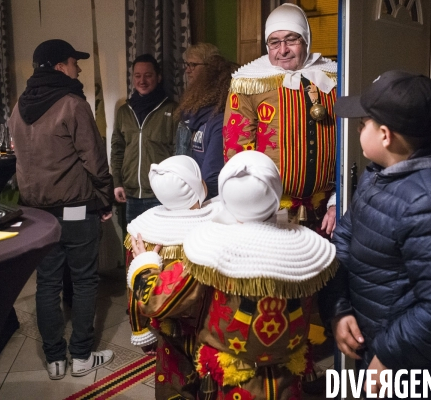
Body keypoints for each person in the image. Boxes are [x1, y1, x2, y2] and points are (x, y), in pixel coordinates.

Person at [319, 70, 431, 397]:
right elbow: (344, 241)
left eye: (361, 123)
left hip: (412, 363)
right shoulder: (379, 174)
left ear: (384, 135)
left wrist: (392, 357)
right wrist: (338, 310)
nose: (358, 130)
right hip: (376, 343)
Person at [129, 151, 337, 399]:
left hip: (233, 381)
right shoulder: (305, 251)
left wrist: (145, 263)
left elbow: (156, 301)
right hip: (286, 376)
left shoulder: (211, 250)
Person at [8, 39, 115, 380]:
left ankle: (55, 360)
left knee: (47, 283)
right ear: (58, 66)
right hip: (76, 210)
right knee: (84, 281)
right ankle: (82, 357)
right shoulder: (72, 103)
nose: (78, 68)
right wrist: (104, 197)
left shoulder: (18, 107)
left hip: (36, 215)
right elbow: (94, 159)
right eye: (74, 62)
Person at [223, 3, 338, 236]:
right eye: (274, 42)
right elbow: (236, 155)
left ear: (306, 39)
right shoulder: (249, 83)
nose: (282, 50)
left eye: (291, 39)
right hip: (268, 214)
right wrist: (249, 209)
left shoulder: (335, 79)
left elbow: (351, 145)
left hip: (326, 212)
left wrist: (339, 201)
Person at [126, 155, 221, 399]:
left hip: (170, 332)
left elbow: (134, 283)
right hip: (210, 333)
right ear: (199, 187)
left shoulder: (144, 233)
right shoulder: (217, 228)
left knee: (174, 388)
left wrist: (140, 329)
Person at [111, 54, 178, 223]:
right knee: (132, 247)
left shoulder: (172, 109)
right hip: (130, 196)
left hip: (161, 195)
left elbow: (180, 153)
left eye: (148, 75)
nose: (142, 81)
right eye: (137, 76)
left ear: (158, 77)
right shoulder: (124, 111)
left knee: (159, 247)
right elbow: (117, 150)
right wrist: (117, 182)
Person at [175, 49, 237, 199]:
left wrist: (193, 202)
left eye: (193, 65)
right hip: (190, 193)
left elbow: (212, 175)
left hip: (206, 200)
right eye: (187, 64)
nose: (188, 70)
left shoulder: (219, 120)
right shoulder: (193, 116)